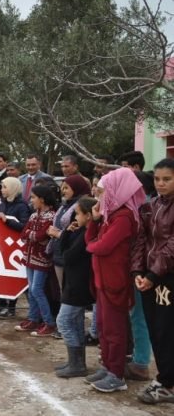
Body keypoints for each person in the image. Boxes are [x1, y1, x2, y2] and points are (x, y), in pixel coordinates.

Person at [84, 167, 146, 393]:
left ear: (116, 191)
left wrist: (93, 246)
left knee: (114, 328)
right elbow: (91, 241)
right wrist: (95, 220)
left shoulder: (124, 217)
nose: (99, 196)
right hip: (103, 279)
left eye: (102, 191)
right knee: (103, 325)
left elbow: (102, 246)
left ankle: (116, 374)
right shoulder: (110, 216)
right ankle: (108, 366)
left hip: (115, 281)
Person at [131, 158, 174, 404]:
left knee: (166, 331)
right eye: (157, 179)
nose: (160, 183)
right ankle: (165, 378)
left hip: (167, 277)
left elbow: (171, 247)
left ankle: (168, 383)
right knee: (156, 330)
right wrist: (137, 272)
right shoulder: (150, 206)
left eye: (167, 179)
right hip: (149, 277)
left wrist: (152, 275)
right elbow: (141, 240)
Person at [55, 196, 96, 378]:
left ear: (88, 216)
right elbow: (62, 250)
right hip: (73, 283)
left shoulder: (87, 235)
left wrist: (67, 240)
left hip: (79, 285)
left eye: (78, 214)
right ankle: (77, 362)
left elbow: (68, 257)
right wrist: (67, 233)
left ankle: (77, 363)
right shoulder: (80, 232)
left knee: (64, 321)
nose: (75, 218)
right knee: (76, 322)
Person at [15, 185, 57, 337]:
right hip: (30, 256)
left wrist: (32, 234)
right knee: (32, 290)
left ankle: (49, 322)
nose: (31, 200)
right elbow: (24, 234)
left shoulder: (51, 216)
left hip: (41, 258)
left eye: (33, 197)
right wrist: (35, 235)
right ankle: (33, 319)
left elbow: (40, 236)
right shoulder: (34, 215)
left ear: (42, 199)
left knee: (36, 290)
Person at [0, 177, 30, 318]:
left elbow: (24, 226)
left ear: (13, 188)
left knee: (12, 277)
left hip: (15, 248)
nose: (2, 190)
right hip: (1, 245)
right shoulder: (3, 203)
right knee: (0, 276)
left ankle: (11, 308)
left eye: (5, 187)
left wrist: (7, 221)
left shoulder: (22, 206)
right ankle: (1, 305)